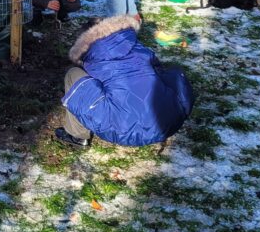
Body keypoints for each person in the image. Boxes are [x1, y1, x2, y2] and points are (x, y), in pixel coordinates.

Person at [54, 14, 194, 149]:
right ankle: (163, 109)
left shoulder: (93, 56)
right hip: (167, 121)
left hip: (123, 130)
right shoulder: (138, 47)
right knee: (170, 73)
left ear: (84, 40)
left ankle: (77, 135)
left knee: (74, 75)